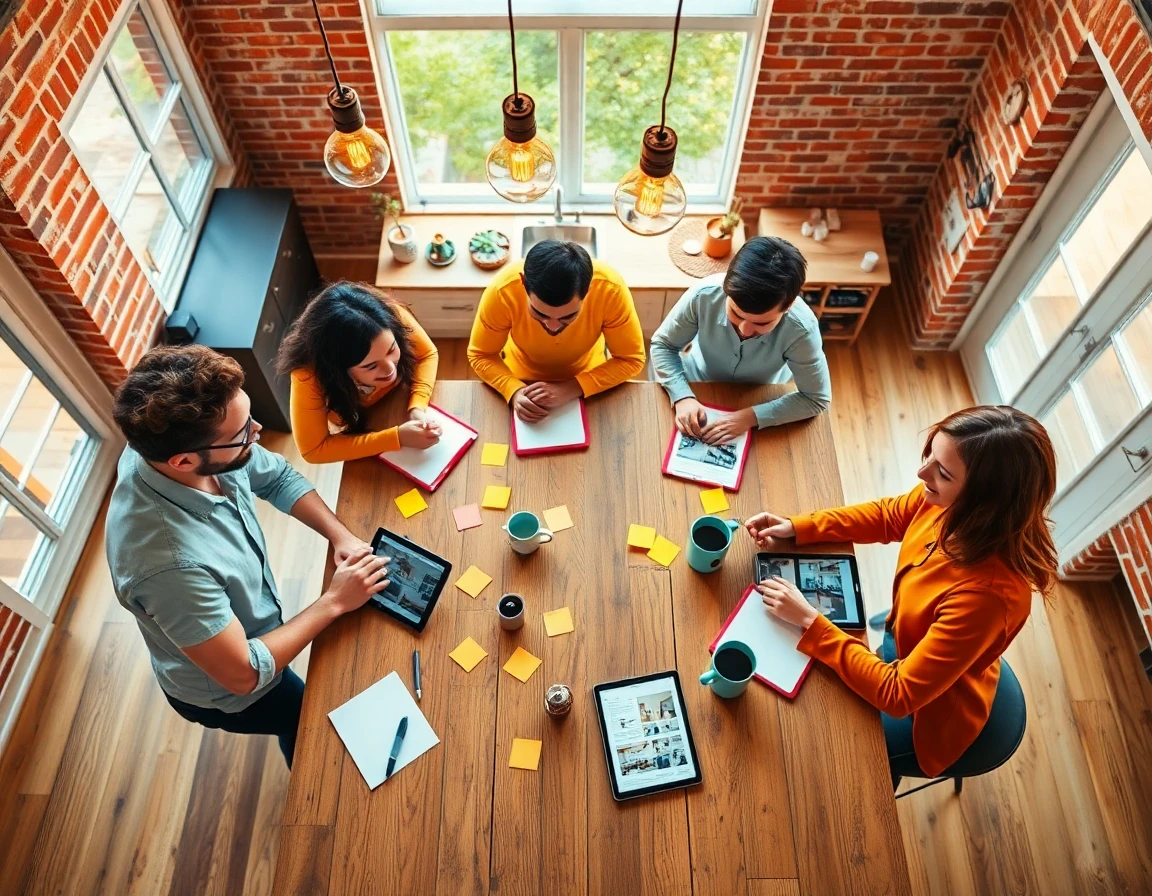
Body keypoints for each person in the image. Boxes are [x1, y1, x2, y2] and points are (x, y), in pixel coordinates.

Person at [106, 345, 390, 768]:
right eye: (243, 433)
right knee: (305, 724)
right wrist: (333, 602)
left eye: (248, 415)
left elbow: (275, 477)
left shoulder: (174, 446)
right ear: (184, 461)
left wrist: (340, 535)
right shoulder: (167, 568)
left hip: (250, 641)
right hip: (229, 691)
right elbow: (243, 674)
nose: (257, 431)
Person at [747, 406, 1057, 788]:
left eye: (942, 473)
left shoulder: (988, 599)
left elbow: (897, 695)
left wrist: (810, 621)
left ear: (984, 501)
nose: (922, 474)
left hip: (927, 720)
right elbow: (890, 516)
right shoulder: (947, 501)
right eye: (930, 455)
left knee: (832, 743)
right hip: (905, 651)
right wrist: (798, 527)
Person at [650, 236, 831, 444]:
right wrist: (682, 395)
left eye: (762, 324)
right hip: (696, 382)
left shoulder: (802, 329)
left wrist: (750, 418)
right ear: (727, 289)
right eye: (736, 314)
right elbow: (663, 345)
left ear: (788, 306)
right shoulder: (703, 296)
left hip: (761, 396)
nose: (745, 330)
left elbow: (816, 398)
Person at [468, 240, 646, 421]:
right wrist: (512, 389)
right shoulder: (501, 291)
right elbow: (481, 355)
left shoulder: (611, 290)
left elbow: (631, 360)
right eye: (539, 313)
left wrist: (572, 388)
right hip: (520, 378)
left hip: (590, 378)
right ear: (523, 283)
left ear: (588, 290)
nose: (552, 327)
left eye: (567, 317)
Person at [277, 281, 441, 463]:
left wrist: (417, 406)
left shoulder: (386, 314)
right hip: (359, 422)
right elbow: (314, 450)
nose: (390, 369)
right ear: (337, 370)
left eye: (391, 349)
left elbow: (427, 354)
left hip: (399, 400)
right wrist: (397, 438)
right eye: (371, 366)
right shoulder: (307, 376)